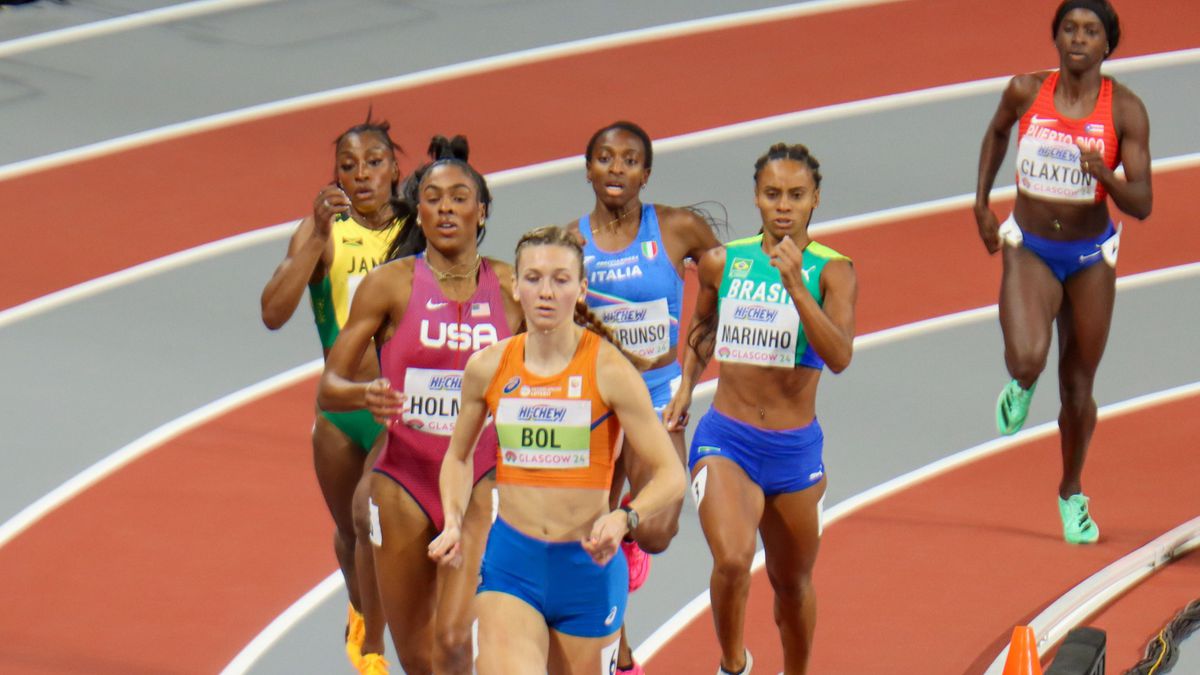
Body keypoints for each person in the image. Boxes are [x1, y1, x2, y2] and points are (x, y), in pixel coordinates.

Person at [428, 225, 687, 675]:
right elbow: (458, 456)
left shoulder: (609, 370)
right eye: (533, 278)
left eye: (561, 280)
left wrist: (626, 517)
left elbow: (671, 474)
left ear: (582, 287)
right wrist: (452, 519)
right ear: (515, 286)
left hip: (587, 568)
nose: (545, 292)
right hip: (513, 565)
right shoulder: (488, 367)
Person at [318, 136, 522, 675]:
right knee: (419, 659)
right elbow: (329, 385)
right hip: (403, 479)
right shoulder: (390, 285)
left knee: (455, 642)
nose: (446, 208)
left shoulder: (511, 287)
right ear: (419, 211)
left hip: (480, 480)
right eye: (433, 198)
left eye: (459, 197)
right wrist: (366, 394)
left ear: (482, 212)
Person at [665, 143, 856, 675]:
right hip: (728, 438)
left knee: (792, 584)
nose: (783, 206)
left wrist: (797, 285)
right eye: (772, 194)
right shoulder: (724, 262)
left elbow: (839, 356)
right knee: (731, 560)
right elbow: (702, 329)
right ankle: (734, 664)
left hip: (795, 452)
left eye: (796, 195)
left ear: (815, 199)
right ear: (756, 198)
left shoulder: (833, 272)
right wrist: (685, 385)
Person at [974, 0, 1151, 544]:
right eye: (1069, 29)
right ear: (1056, 38)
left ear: (1106, 45)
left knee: (1077, 389)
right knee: (1028, 358)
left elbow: (1142, 202)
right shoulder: (1026, 91)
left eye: (1091, 31)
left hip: (1091, 258)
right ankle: (1022, 382)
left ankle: (1071, 491)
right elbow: (997, 133)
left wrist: (1105, 175)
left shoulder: (1125, 110)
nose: (1078, 38)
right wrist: (981, 204)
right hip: (1030, 248)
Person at [569, 120, 722, 674]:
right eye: (605, 158)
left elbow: (722, 286)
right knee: (590, 533)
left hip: (658, 398)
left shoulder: (679, 228)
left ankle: (630, 542)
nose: (616, 168)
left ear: (646, 174)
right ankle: (622, 654)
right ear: (587, 169)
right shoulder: (573, 242)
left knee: (654, 530)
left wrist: (690, 377)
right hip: (594, 404)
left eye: (629, 160)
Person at [260, 117, 407, 671]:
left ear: (396, 169)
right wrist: (317, 238)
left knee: (370, 514)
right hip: (340, 410)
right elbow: (273, 312)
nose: (362, 174)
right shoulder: (323, 231)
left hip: (397, 409)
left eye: (374, 162)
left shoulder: (417, 228)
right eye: (349, 166)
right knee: (350, 533)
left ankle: (375, 651)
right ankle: (364, 616)